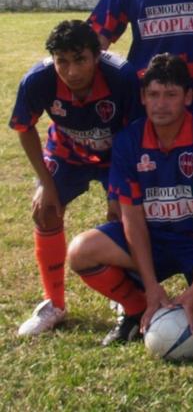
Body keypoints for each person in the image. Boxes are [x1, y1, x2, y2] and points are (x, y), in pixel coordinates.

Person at [67, 54, 193, 345]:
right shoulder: (128, 142)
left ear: (188, 97)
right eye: (154, 94)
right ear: (143, 97)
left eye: (171, 95)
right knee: (80, 251)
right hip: (152, 239)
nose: (161, 104)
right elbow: (132, 220)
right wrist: (151, 287)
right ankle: (136, 308)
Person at [11, 20, 142, 336]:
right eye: (62, 61)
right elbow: (24, 128)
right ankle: (54, 304)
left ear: (97, 56)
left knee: (124, 217)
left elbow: (136, 134)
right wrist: (45, 183)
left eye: (80, 59)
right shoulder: (38, 80)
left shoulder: (122, 77)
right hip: (67, 153)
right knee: (45, 211)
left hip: (117, 156)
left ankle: (126, 293)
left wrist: (118, 190)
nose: (71, 71)